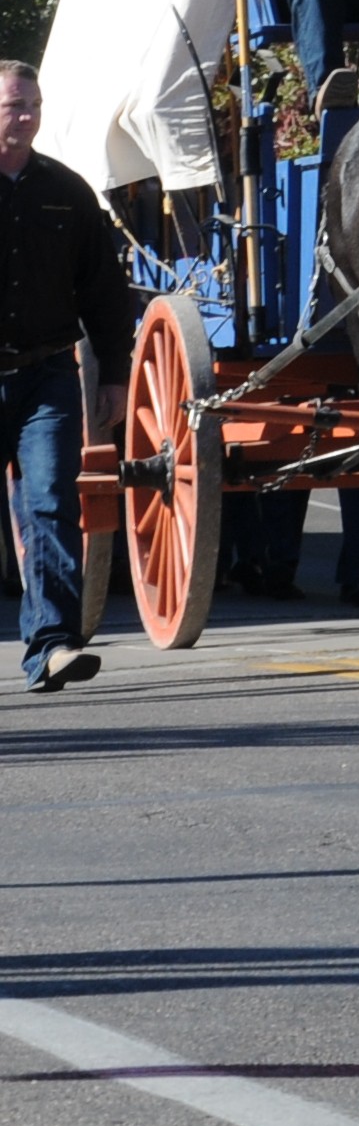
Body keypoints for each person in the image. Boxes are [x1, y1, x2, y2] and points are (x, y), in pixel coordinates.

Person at [0, 62, 134, 694]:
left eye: (31, 105)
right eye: (11, 105)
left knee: (52, 498)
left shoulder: (68, 191)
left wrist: (113, 375)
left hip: (46, 373)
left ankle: (52, 645)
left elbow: (105, 294)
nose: (23, 116)